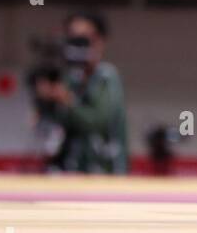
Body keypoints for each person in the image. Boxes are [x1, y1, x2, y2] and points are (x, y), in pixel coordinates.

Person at [32, 12, 128, 174]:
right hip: (70, 171)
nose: (78, 45)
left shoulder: (107, 77)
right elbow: (55, 130)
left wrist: (66, 100)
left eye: (84, 39)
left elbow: (98, 122)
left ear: (100, 40)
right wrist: (44, 106)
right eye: (73, 38)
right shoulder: (69, 79)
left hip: (105, 172)